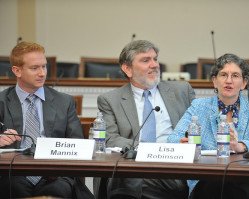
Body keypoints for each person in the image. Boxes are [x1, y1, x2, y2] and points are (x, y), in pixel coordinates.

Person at [168, 53, 249, 198]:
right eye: (223, 75)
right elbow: (172, 139)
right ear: (215, 81)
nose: (229, 80)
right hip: (208, 177)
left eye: (235, 75)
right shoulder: (199, 106)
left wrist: (241, 146)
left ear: (244, 83)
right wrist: (181, 143)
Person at [95, 40, 195, 199]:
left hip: (174, 167)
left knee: (131, 183)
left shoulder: (182, 91)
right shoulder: (110, 100)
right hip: (133, 165)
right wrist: (149, 150)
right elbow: (109, 139)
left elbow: (196, 128)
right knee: (129, 179)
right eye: (145, 60)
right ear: (127, 69)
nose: (154, 65)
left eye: (155, 59)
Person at [0, 41, 85, 198]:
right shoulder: (2, 102)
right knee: (10, 189)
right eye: (34, 68)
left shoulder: (64, 102)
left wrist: (57, 168)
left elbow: (78, 142)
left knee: (58, 191)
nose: (42, 73)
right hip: (12, 174)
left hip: (55, 175)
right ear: (16, 70)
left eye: (44, 66)